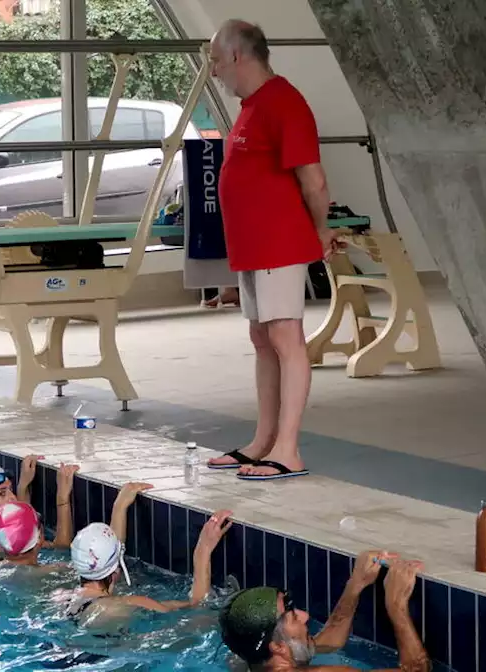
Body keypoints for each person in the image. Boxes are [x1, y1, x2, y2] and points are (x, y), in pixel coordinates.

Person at [205, 19, 343, 481]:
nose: (215, 72)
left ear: (238, 56)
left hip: (278, 243)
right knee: (262, 340)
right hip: (252, 247)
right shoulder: (252, 106)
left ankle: (288, 449)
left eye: (216, 62)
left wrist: (321, 230)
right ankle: (262, 441)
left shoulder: (285, 102)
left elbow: (313, 180)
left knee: (286, 338)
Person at [61, 482, 233, 625]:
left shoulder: (61, 598)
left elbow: (111, 555)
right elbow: (197, 606)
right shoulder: (128, 604)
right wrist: (203, 551)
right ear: (116, 571)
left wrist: (119, 507)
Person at [220, 553, 429, 671]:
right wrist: (396, 606)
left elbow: (329, 641)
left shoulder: (247, 660)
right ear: (278, 647)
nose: (305, 615)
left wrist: (355, 585)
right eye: (292, 616)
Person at [0, 463, 79, 567]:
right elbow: (62, 547)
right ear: (39, 539)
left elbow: (22, 527)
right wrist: (62, 498)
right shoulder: (54, 571)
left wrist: (23, 487)